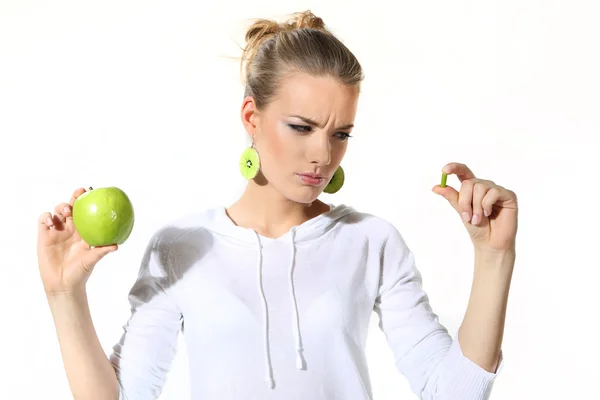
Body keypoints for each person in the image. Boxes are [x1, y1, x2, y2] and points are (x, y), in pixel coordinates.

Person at [37, 10, 519, 400]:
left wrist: (494, 257)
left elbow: (452, 392)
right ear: (252, 116)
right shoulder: (181, 247)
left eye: (341, 134)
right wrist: (65, 295)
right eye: (302, 127)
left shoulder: (371, 242)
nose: (323, 155)